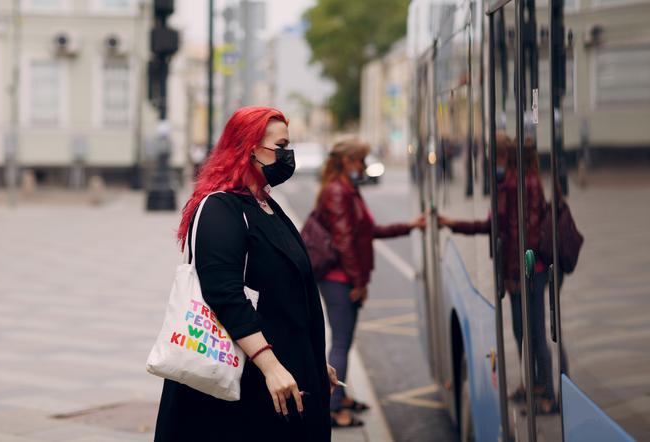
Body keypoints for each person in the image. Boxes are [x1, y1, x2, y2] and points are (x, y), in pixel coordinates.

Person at [154, 107, 338, 441]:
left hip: (284, 371)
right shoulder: (220, 208)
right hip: (246, 381)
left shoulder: (266, 205)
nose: (287, 155)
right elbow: (225, 294)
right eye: (280, 146)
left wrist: (311, 358)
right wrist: (270, 366)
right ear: (249, 148)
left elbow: (285, 290)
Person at [439, 133, 558, 414]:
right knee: (519, 330)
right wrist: (454, 223)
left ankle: (548, 395)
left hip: (529, 272)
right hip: (517, 273)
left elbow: (522, 237)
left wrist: (518, 276)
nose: (491, 163)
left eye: (494, 157)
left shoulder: (520, 184)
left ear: (505, 157)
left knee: (536, 333)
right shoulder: (509, 183)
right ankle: (533, 384)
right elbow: (495, 228)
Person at [314, 138, 426, 428]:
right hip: (339, 279)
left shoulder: (347, 190)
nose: (364, 166)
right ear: (345, 162)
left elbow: (368, 231)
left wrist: (409, 226)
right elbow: (345, 243)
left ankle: (341, 396)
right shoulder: (338, 192)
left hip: (343, 277)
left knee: (344, 340)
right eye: (360, 161)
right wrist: (358, 282)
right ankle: (332, 407)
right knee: (340, 341)